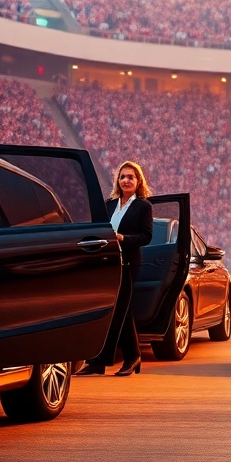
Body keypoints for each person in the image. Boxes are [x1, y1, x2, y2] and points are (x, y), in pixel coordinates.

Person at [79, 161, 154, 377]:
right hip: (108, 263)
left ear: (138, 181)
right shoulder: (109, 205)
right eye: (123, 177)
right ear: (117, 181)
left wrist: (123, 238)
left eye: (131, 176)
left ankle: (101, 361)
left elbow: (146, 236)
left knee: (118, 310)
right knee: (120, 311)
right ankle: (132, 357)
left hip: (128, 264)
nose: (126, 180)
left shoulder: (143, 206)